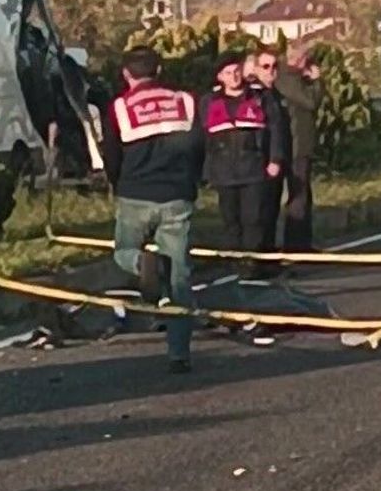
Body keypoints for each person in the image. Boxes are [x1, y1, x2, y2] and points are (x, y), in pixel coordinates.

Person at [100, 46, 204, 374]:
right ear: (159, 70)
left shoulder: (119, 107)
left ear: (126, 74)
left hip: (135, 194)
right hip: (177, 196)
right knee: (180, 278)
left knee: (124, 251)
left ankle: (143, 264)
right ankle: (179, 353)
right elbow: (198, 147)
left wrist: (117, 184)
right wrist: (192, 182)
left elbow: (111, 154)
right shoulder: (185, 101)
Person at [200, 51, 287, 345]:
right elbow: (201, 137)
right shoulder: (209, 102)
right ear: (219, 77)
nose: (234, 76)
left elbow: (276, 129)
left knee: (254, 220)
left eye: (236, 71)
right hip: (224, 172)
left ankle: (251, 268)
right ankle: (234, 268)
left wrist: (275, 159)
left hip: (253, 169)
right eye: (227, 73)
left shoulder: (260, 98)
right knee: (231, 223)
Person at [274, 49, 324, 252]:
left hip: (300, 143)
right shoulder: (287, 78)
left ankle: (303, 241)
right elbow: (310, 102)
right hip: (295, 144)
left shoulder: (294, 79)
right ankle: (294, 243)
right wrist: (317, 81)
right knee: (298, 194)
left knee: (303, 194)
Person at [246, 49, 291, 267]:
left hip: (274, 160)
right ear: (255, 68)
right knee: (260, 211)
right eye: (265, 66)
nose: (271, 71)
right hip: (259, 160)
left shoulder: (274, 94)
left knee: (271, 209)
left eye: (274, 66)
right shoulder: (254, 95)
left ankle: (269, 254)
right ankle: (259, 257)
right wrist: (271, 158)